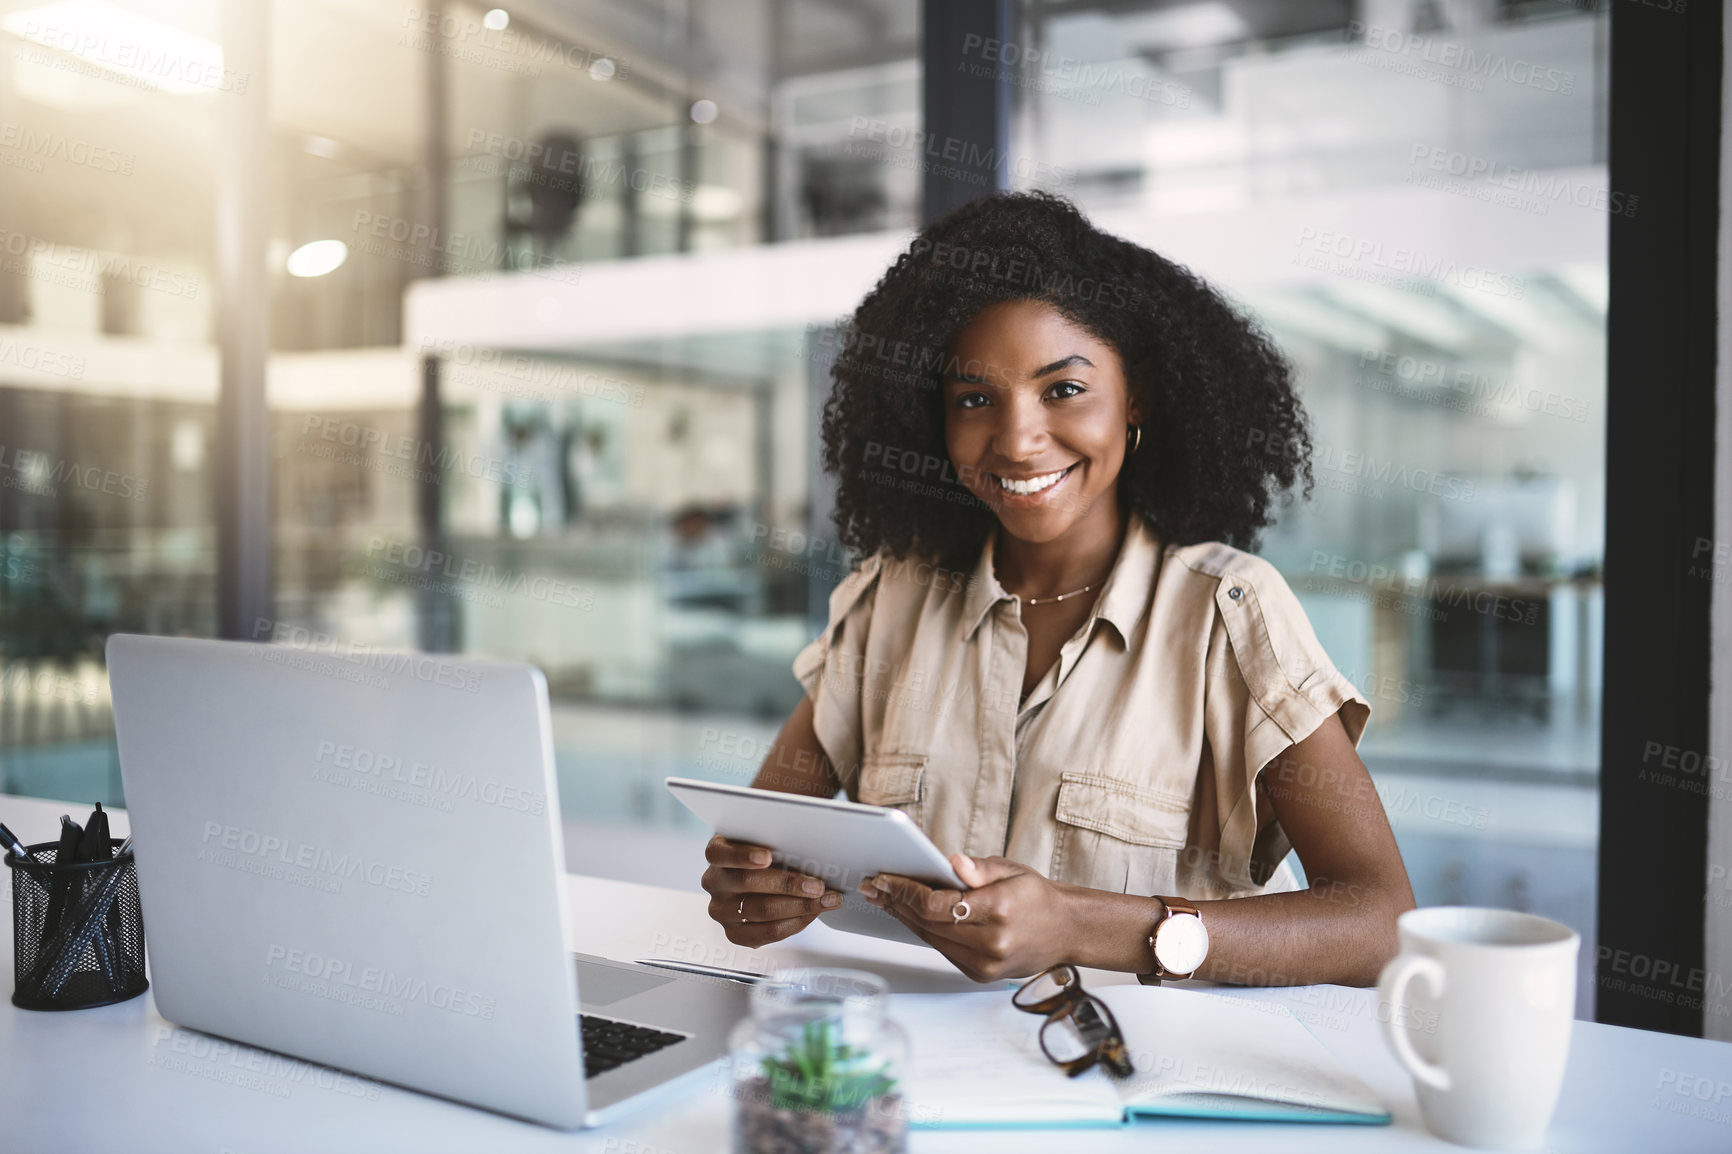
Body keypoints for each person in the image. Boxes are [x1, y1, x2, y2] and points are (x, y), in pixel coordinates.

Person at [700, 192, 1414, 987]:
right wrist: (751, 891)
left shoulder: (1228, 612)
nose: (1016, 439)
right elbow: (757, 839)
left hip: (1135, 1078)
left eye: (1063, 389)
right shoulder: (890, 599)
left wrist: (1083, 925)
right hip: (925, 1066)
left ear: (1135, 395)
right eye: (974, 399)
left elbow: (1381, 922)